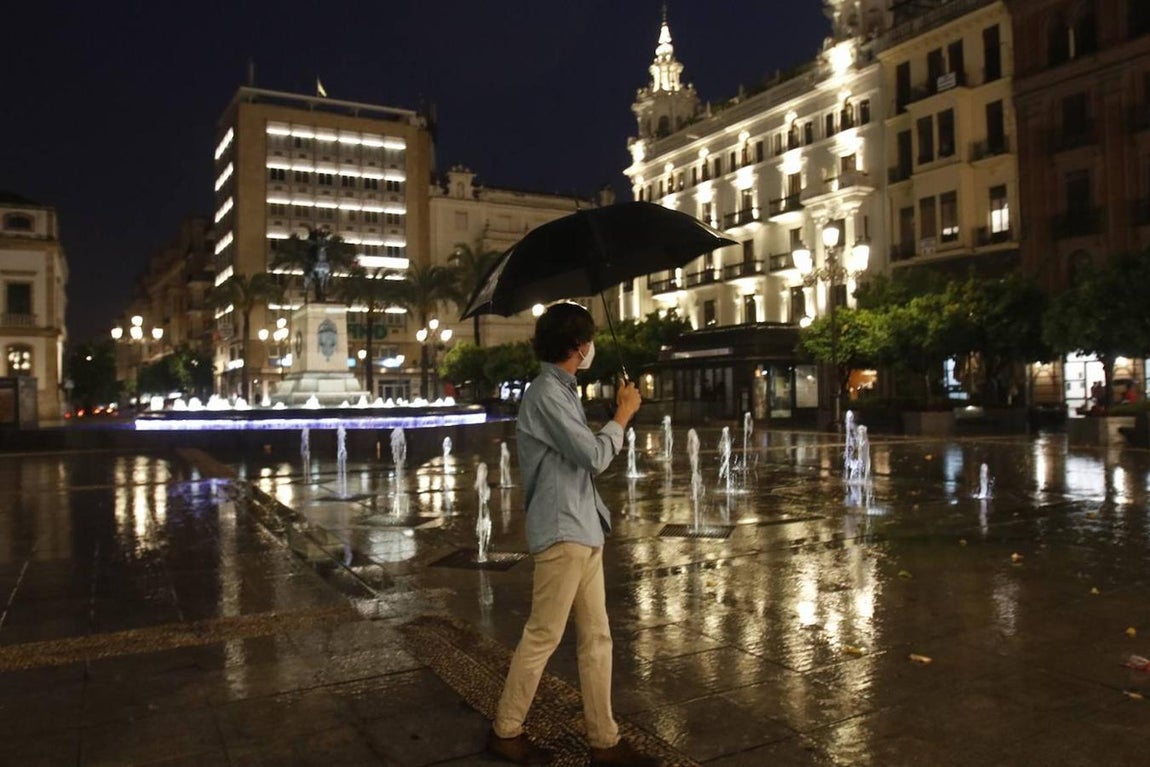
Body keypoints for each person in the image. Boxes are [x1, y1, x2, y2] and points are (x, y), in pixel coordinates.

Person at [487, 302, 659, 767]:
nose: (592, 348)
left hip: (584, 527)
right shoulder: (546, 393)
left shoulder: (562, 391)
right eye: (590, 341)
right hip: (563, 531)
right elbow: (594, 457)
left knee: (597, 638)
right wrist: (622, 415)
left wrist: (614, 417)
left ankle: (604, 737)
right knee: (543, 633)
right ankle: (506, 729)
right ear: (580, 346)